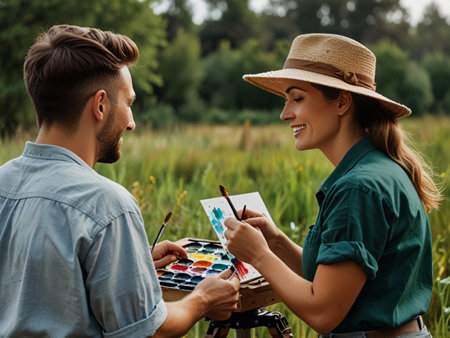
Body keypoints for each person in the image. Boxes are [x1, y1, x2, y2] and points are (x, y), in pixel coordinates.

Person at [0, 25, 240, 337]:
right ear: (100, 105)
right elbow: (147, 331)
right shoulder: (107, 206)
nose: (132, 122)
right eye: (128, 103)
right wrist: (204, 299)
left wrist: (129, 268)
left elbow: (33, 285)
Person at [224, 33, 441, 337]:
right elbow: (334, 281)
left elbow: (324, 311)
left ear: (341, 102)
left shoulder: (358, 188)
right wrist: (275, 242)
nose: (285, 113)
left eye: (297, 98)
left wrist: (259, 255)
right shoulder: (377, 169)